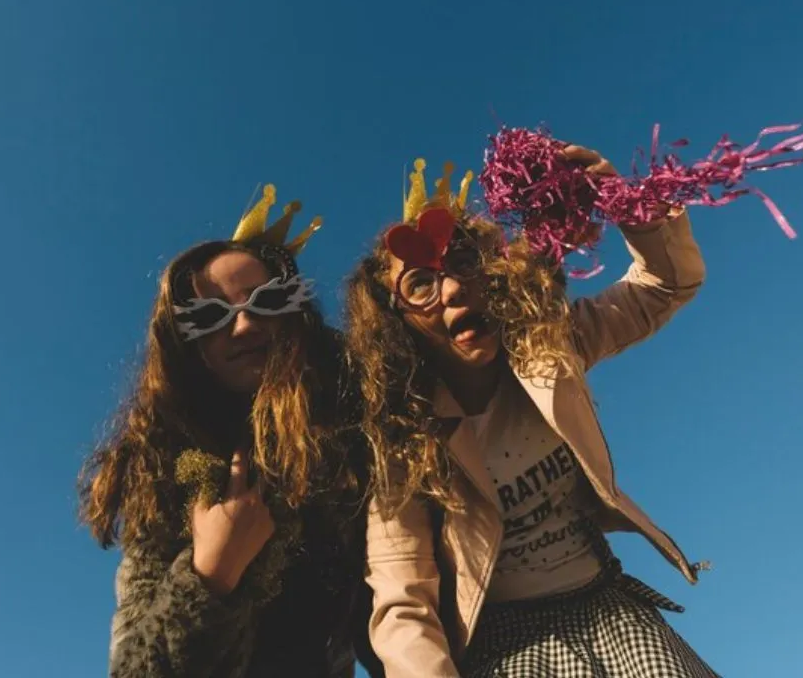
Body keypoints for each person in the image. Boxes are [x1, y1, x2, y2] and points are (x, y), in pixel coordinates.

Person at [343, 151, 720, 677]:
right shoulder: (402, 439)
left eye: (464, 265)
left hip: (607, 606)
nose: (451, 289)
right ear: (398, 322)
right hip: (504, 643)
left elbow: (666, 284)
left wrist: (626, 203)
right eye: (421, 285)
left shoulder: (549, 349)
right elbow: (404, 599)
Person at [79, 186, 381, 678]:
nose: (244, 327)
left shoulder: (354, 434)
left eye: (267, 301)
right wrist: (210, 575)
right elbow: (134, 669)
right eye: (210, 316)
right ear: (185, 345)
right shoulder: (164, 475)